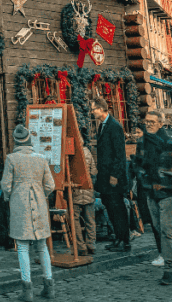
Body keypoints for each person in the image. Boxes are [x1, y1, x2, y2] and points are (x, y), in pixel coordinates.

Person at [0, 124, 55, 302]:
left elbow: (5, 185)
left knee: (22, 247)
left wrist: (9, 197)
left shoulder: (11, 159)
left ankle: (27, 289)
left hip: (20, 205)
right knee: (42, 246)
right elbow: (50, 185)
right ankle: (49, 285)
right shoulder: (41, 158)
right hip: (39, 204)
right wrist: (41, 194)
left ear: (16, 141)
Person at [132, 109, 172, 283]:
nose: (148, 124)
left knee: (166, 231)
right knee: (157, 228)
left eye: (152, 122)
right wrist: (143, 179)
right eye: (147, 121)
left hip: (167, 193)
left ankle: (169, 270)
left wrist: (163, 176)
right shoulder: (143, 141)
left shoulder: (168, 142)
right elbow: (138, 164)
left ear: (161, 124)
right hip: (150, 192)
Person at [92, 97, 130, 252]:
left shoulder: (114, 126)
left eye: (94, 108)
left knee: (118, 209)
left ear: (102, 109)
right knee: (110, 208)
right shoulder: (102, 126)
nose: (92, 111)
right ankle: (117, 238)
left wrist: (115, 175)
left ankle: (124, 241)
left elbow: (119, 154)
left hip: (114, 178)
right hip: (105, 177)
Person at [73, 129, 97, 255]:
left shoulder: (71, 153)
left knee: (75, 219)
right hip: (88, 188)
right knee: (90, 219)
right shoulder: (88, 152)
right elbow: (93, 171)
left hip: (75, 188)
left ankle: (80, 246)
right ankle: (91, 244)